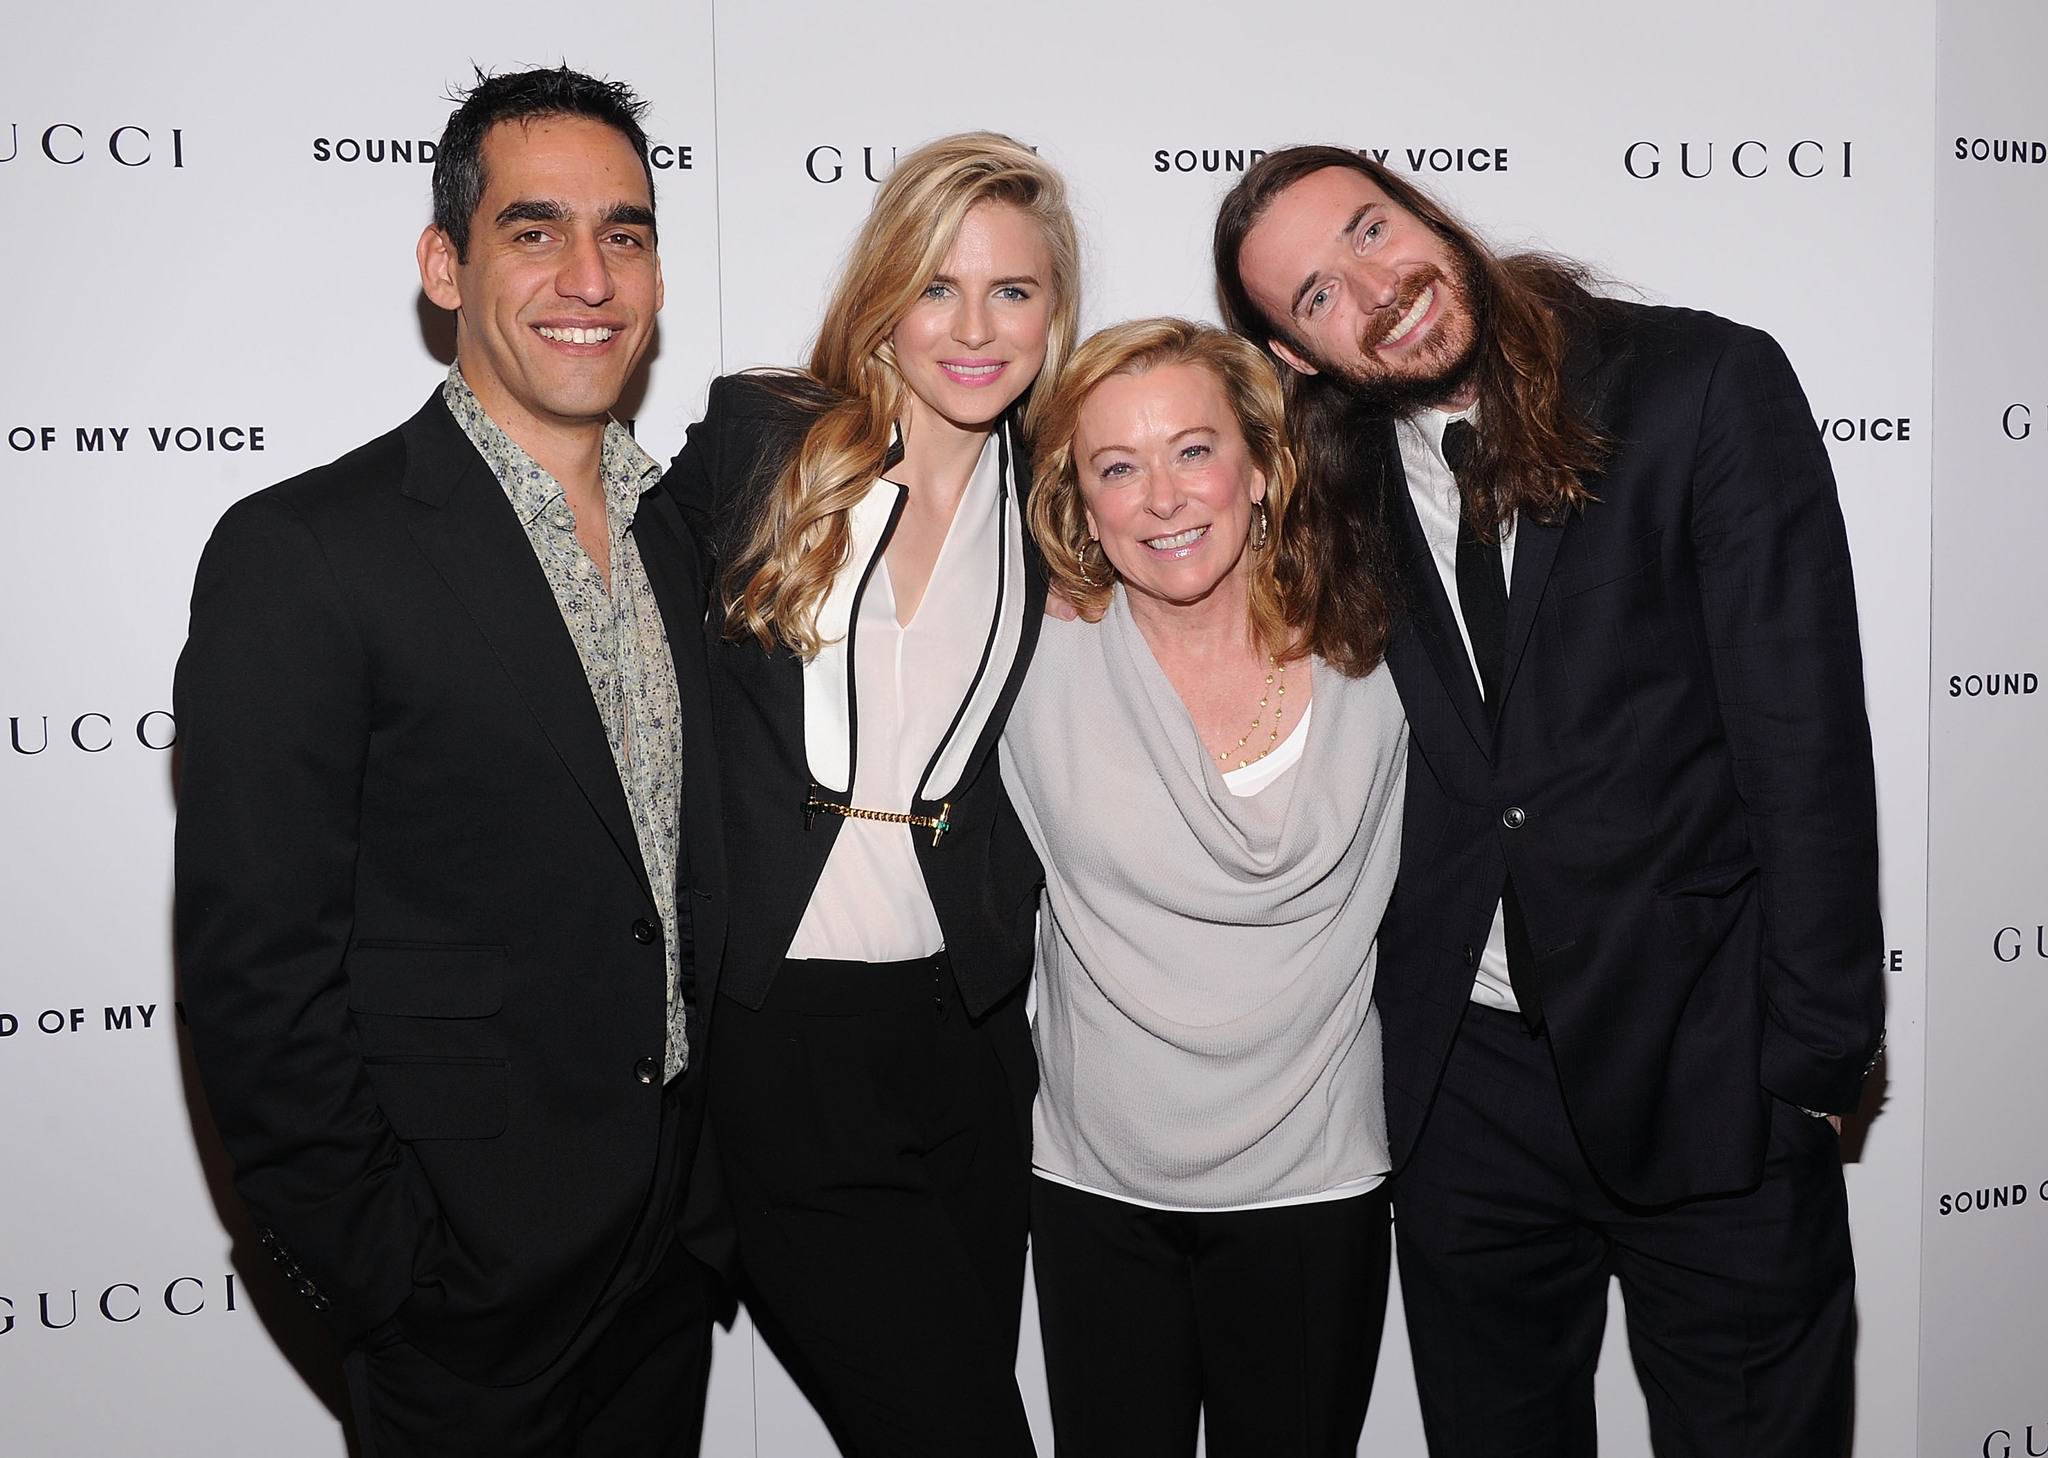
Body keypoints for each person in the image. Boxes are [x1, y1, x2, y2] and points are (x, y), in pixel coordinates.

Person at [1215, 147, 1885, 1457]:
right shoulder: (1330, 489)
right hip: (1469, 1101)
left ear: (1428, 213)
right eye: (1315, 295)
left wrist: (1812, 1061)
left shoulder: (1695, 384)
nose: (1375, 287)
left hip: (1712, 1066)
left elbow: (1805, 741)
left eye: (1371, 228)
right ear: (1299, 357)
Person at [174, 68, 725, 1458]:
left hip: (670, 1260)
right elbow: (256, 981)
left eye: (628, 231)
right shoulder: (305, 550)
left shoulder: (690, 535)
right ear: (445, 265)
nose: (589, 274)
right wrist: (383, 1280)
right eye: (534, 230)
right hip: (461, 1297)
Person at [661, 133, 1078, 1457]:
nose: (974, 326)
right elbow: (598, 628)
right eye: (937, 285)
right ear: (883, 295)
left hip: (970, 1039)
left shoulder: (1067, 502)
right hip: (787, 1037)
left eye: (1012, 291)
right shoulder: (761, 439)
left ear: (1053, 312)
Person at [1000, 319, 1407, 1457]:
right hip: (1094, 1183)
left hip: (1313, 1179)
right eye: (1115, 467)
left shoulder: (1378, 647)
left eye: (1192, 451)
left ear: (1263, 466)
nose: (1162, 499)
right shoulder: (1024, 658)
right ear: (1076, 503)